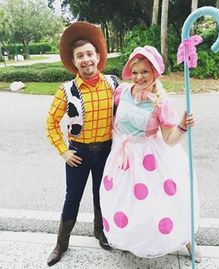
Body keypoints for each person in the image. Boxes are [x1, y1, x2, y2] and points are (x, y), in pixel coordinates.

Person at [100, 45, 202, 262]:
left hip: (151, 161)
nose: (139, 77)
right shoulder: (121, 92)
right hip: (122, 159)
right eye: (135, 72)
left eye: (145, 71)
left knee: (164, 203)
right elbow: (113, 120)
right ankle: (132, 239)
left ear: (155, 71)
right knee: (126, 202)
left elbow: (169, 139)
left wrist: (182, 126)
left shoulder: (161, 103)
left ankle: (186, 240)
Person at [46, 21, 118, 267]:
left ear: (98, 56)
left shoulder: (113, 84)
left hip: (107, 151)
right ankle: (61, 244)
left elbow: (131, 109)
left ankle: (101, 232)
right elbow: (51, 124)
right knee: (72, 198)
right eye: (80, 56)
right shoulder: (66, 90)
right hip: (78, 152)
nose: (86, 59)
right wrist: (64, 151)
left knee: (103, 195)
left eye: (89, 54)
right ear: (74, 61)